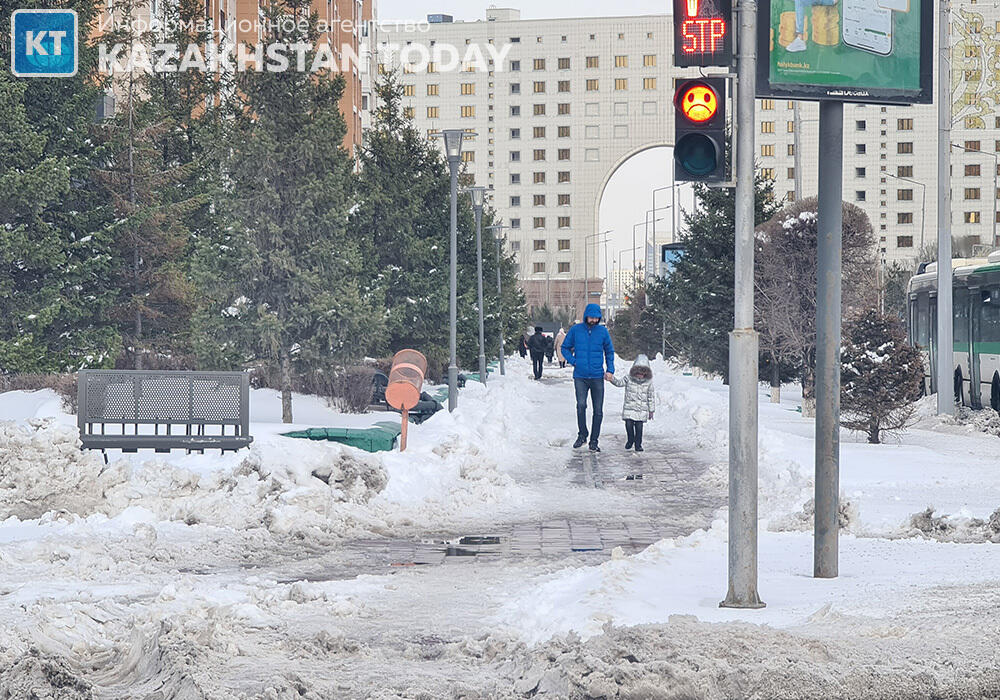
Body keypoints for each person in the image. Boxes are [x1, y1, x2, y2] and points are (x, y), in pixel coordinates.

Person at [561, 304, 615, 452]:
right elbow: (564, 348)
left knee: (598, 410)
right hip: (580, 376)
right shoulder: (576, 330)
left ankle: (594, 440)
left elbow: (609, 352)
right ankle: (582, 434)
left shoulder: (603, 332)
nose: (593, 320)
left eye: (596, 318)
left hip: (597, 376)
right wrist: (573, 361)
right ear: (586, 316)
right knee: (581, 405)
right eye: (591, 317)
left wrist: (610, 370)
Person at [606, 354, 656, 452]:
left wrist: (651, 410)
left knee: (639, 427)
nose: (640, 375)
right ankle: (630, 439)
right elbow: (619, 383)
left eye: (642, 373)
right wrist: (612, 379)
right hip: (629, 407)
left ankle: (638, 444)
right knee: (628, 425)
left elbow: (651, 396)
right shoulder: (628, 378)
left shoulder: (649, 382)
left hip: (641, 409)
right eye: (638, 372)